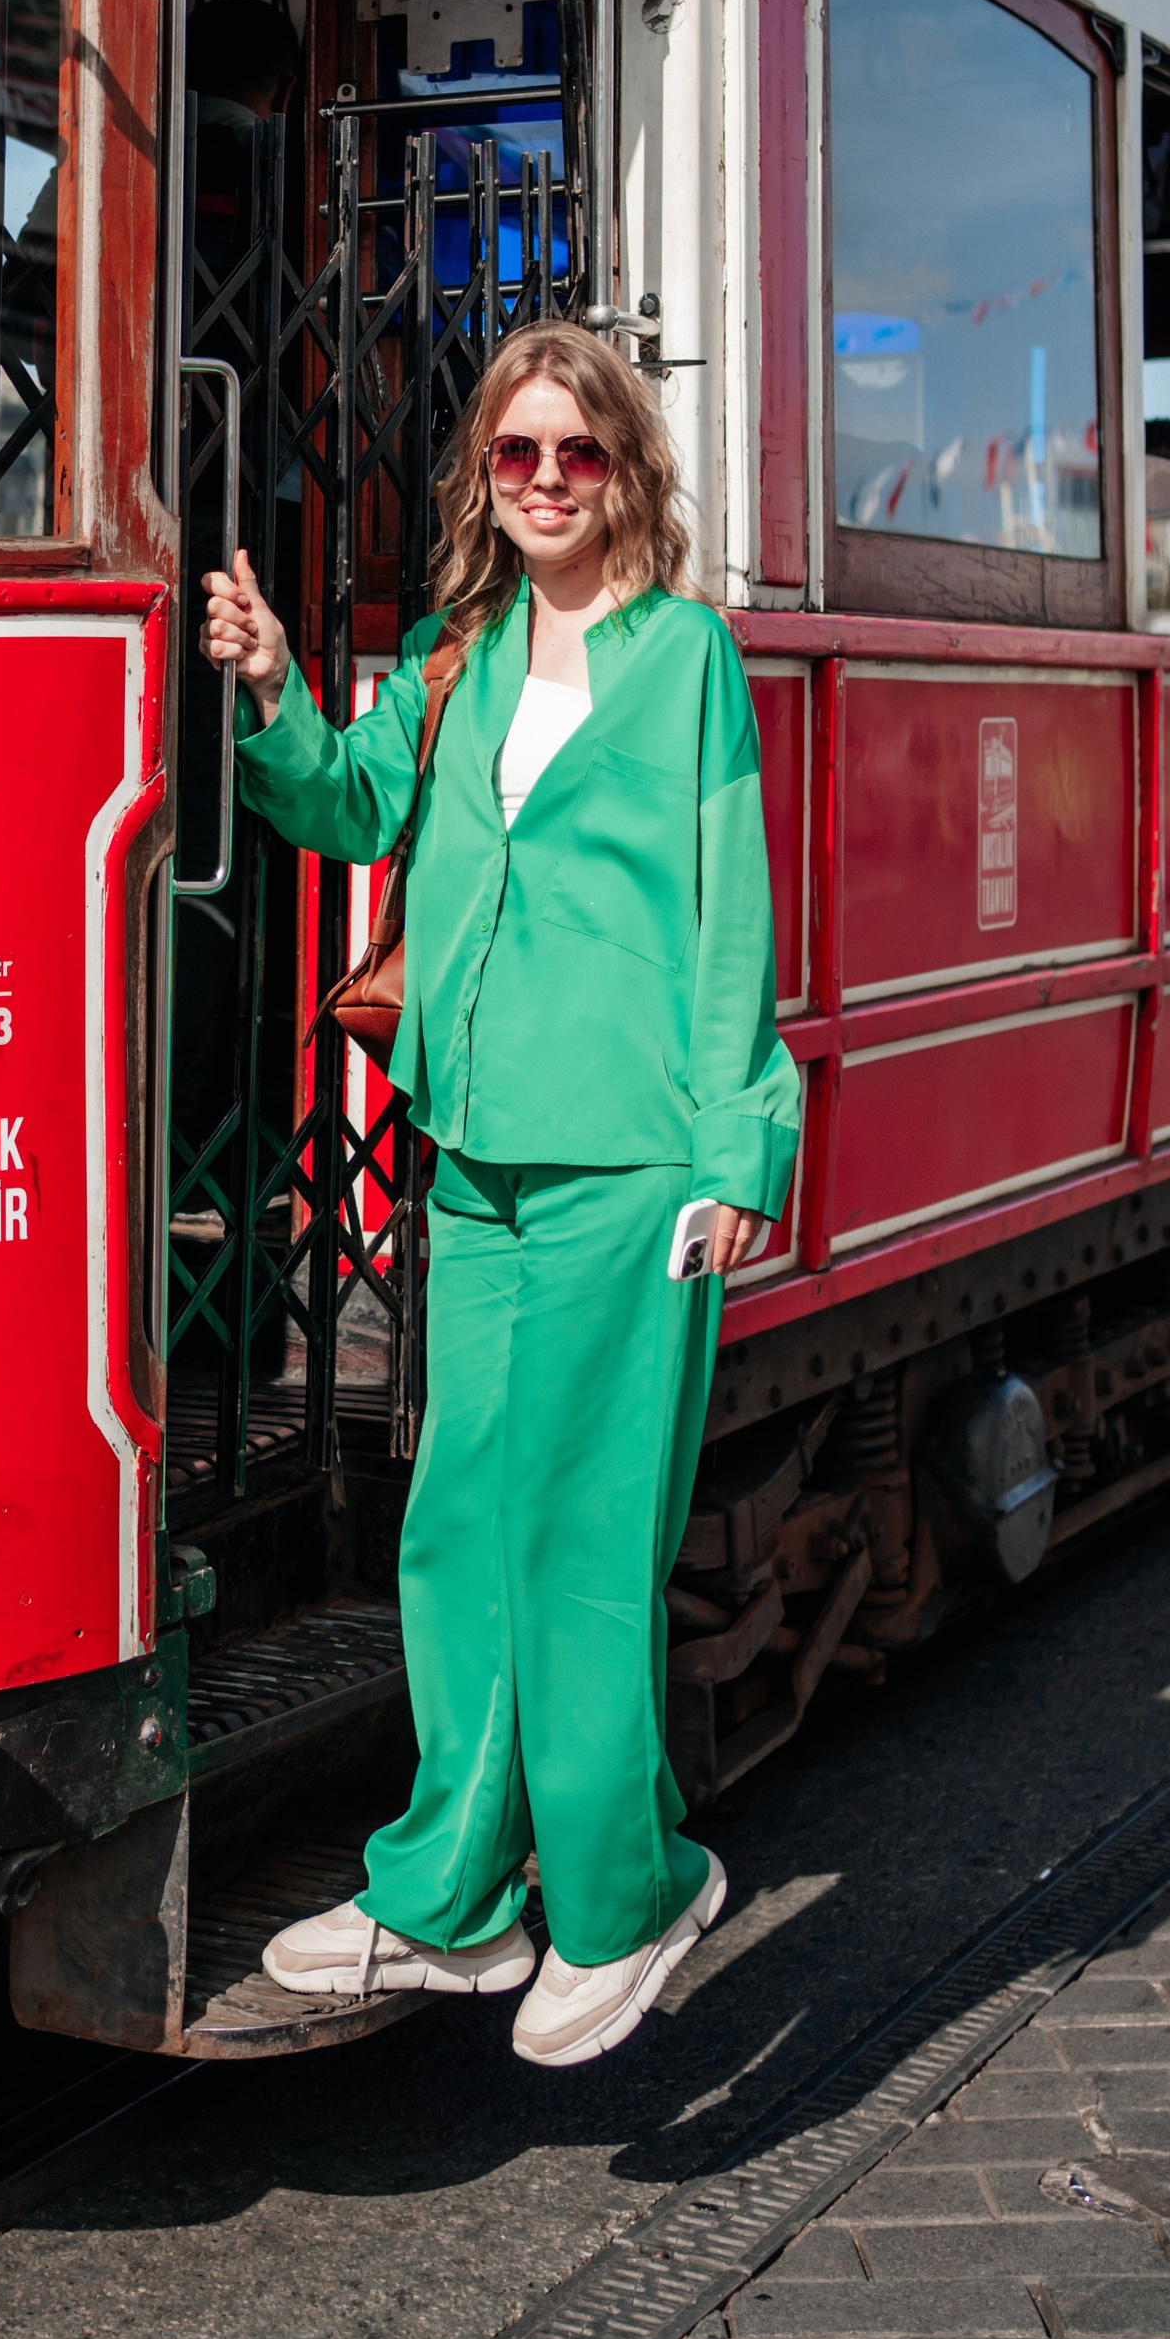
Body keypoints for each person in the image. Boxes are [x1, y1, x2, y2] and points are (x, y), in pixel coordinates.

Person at [201, 320, 798, 2069]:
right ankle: (450, 1900)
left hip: (629, 1159)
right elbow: (341, 803)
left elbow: (728, 914)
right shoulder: (454, 660)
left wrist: (737, 1147)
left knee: (583, 1536)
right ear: (485, 477)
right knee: (457, 1522)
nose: (544, 483)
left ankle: (626, 1895)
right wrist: (267, 689)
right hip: (472, 1151)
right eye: (517, 456)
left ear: (627, 475)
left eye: (577, 455)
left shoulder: (684, 659)